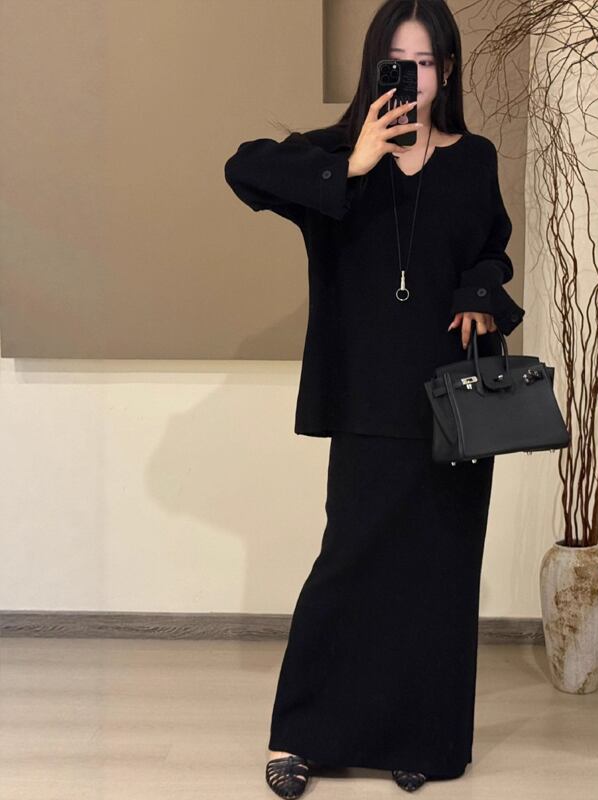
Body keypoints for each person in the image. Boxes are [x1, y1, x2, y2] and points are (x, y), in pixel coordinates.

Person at [224, 1, 524, 796]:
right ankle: (304, 736)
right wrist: (352, 164)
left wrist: (479, 292)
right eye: (398, 60)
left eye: (426, 63)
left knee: (437, 574)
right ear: (374, 65)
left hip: (452, 396)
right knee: (349, 567)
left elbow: (492, 251)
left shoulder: (473, 158)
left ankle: (416, 739)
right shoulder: (336, 152)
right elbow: (243, 168)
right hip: (364, 394)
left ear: (448, 72)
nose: (412, 77)